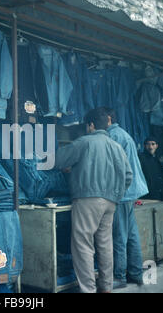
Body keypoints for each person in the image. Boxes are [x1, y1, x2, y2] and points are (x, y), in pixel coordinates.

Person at [55, 108, 133, 293]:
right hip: (111, 202)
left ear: (90, 125)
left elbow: (58, 160)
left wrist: (71, 170)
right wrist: (116, 193)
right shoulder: (116, 147)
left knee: (83, 245)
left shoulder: (84, 142)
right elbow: (128, 176)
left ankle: (88, 290)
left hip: (87, 200)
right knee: (105, 244)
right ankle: (106, 287)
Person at [103, 107, 149, 289]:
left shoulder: (113, 136)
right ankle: (136, 274)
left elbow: (110, 167)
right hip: (131, 192)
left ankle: (119, 276)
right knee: (131, 235)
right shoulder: (122, 133)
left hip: (122, 193)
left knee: (119, 236)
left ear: (107, 119)